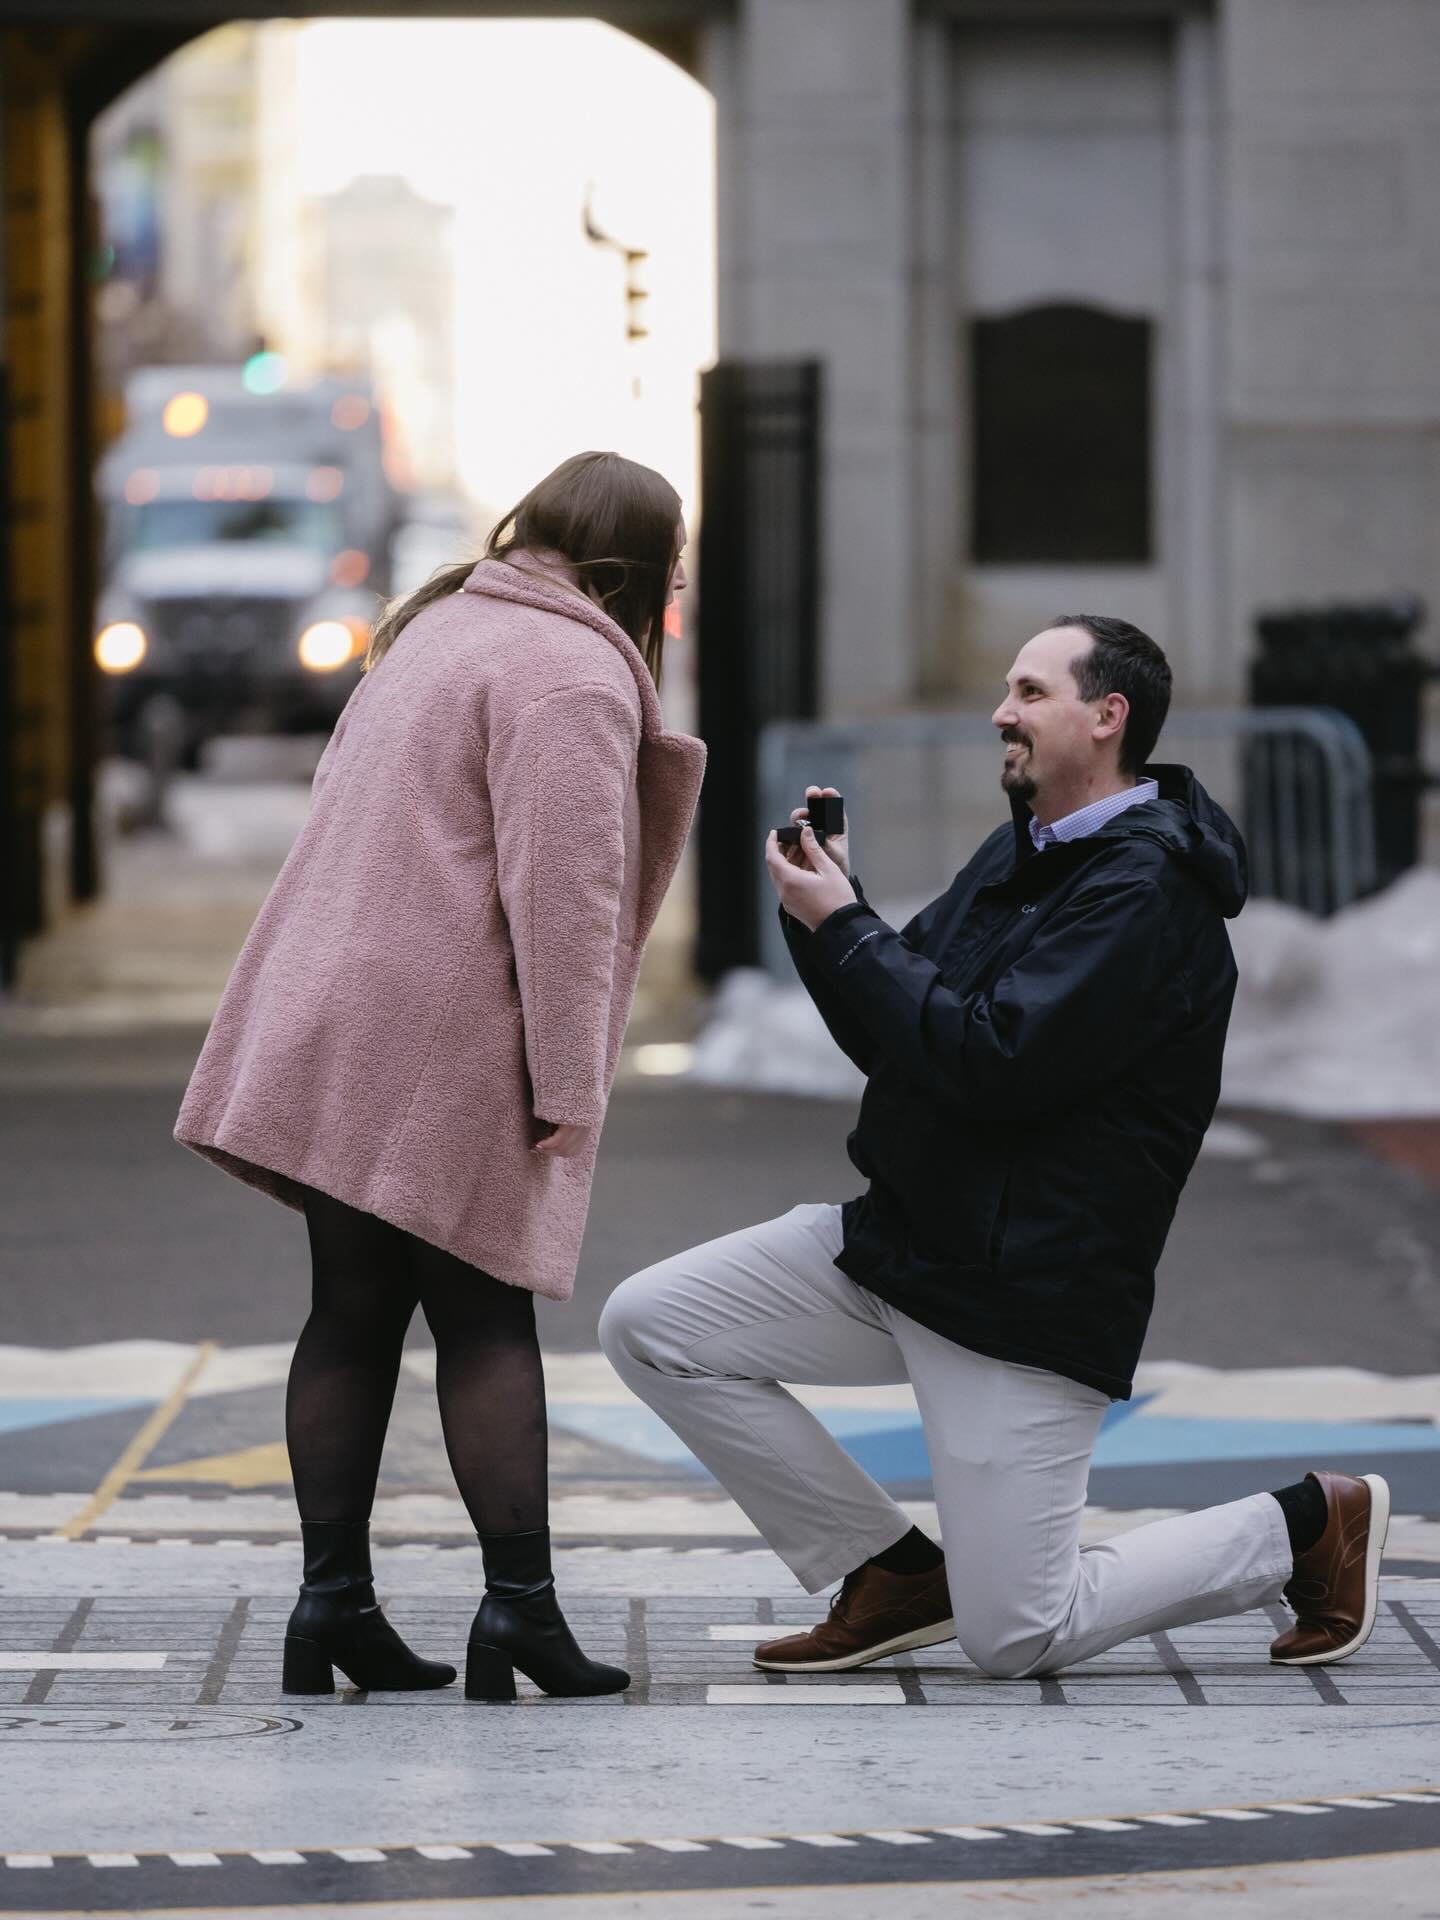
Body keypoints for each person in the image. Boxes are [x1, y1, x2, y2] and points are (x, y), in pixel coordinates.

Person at [601, 616, 1387, 1680]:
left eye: (1029, 691)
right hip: (905, 1247)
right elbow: (901, 1036)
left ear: (1107, 718)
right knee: (652, 1324)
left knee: (1019, 1633)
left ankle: (1306, 1524)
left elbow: (993, 1062)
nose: (1000, 713)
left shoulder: (1145, 892)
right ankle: (888, 1567)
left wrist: (852, 933)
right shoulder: (1029, 852)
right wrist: (829, 913)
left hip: (1022, 1291)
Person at [176, 451, 705, 1702]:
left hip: (337, 1008)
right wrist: (568, 1082)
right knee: (482, 1314)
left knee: (351, 1309)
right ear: (631, 568)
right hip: (448, 1023)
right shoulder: (571, 673)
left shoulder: (436, 631)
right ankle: (519, 1612)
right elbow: (563, 898)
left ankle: (331, 1611)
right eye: (669, 580)